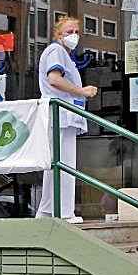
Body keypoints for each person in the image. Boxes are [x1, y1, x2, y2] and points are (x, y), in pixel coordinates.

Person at [35, 16, 98, 223]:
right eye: (69, 32)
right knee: (64, 165)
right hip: (60, 116)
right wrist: (81, 91)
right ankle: (64, 213)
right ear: (58, 35)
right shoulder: (56, 51)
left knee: (55, 165)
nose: (74, 36)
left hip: (63, 117)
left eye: (76, 32)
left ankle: (46, 211)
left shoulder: (64, 55)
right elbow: (54, 79)